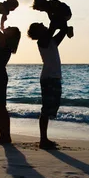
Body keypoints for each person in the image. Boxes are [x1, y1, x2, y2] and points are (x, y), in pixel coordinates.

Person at [27, 20, 68, 149]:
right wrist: (54, 19)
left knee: (52, 107)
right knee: (46, 109)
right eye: (40, 26)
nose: (42, 24)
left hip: (54, 77)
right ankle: (43, 140)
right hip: (49, 78)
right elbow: (52, 29)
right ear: (38, 32)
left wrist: (64, 26)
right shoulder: (42, 42)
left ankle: (44, 139)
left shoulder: (51, 41)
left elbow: (62, 31)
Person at [0, 14, 21, 144]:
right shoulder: (4, 40)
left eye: (10, 28)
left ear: (10, 35)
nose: (8, 27)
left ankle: (5, 136)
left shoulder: (3, 41)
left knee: (0, 106)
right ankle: (4, 135)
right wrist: (2, 21)